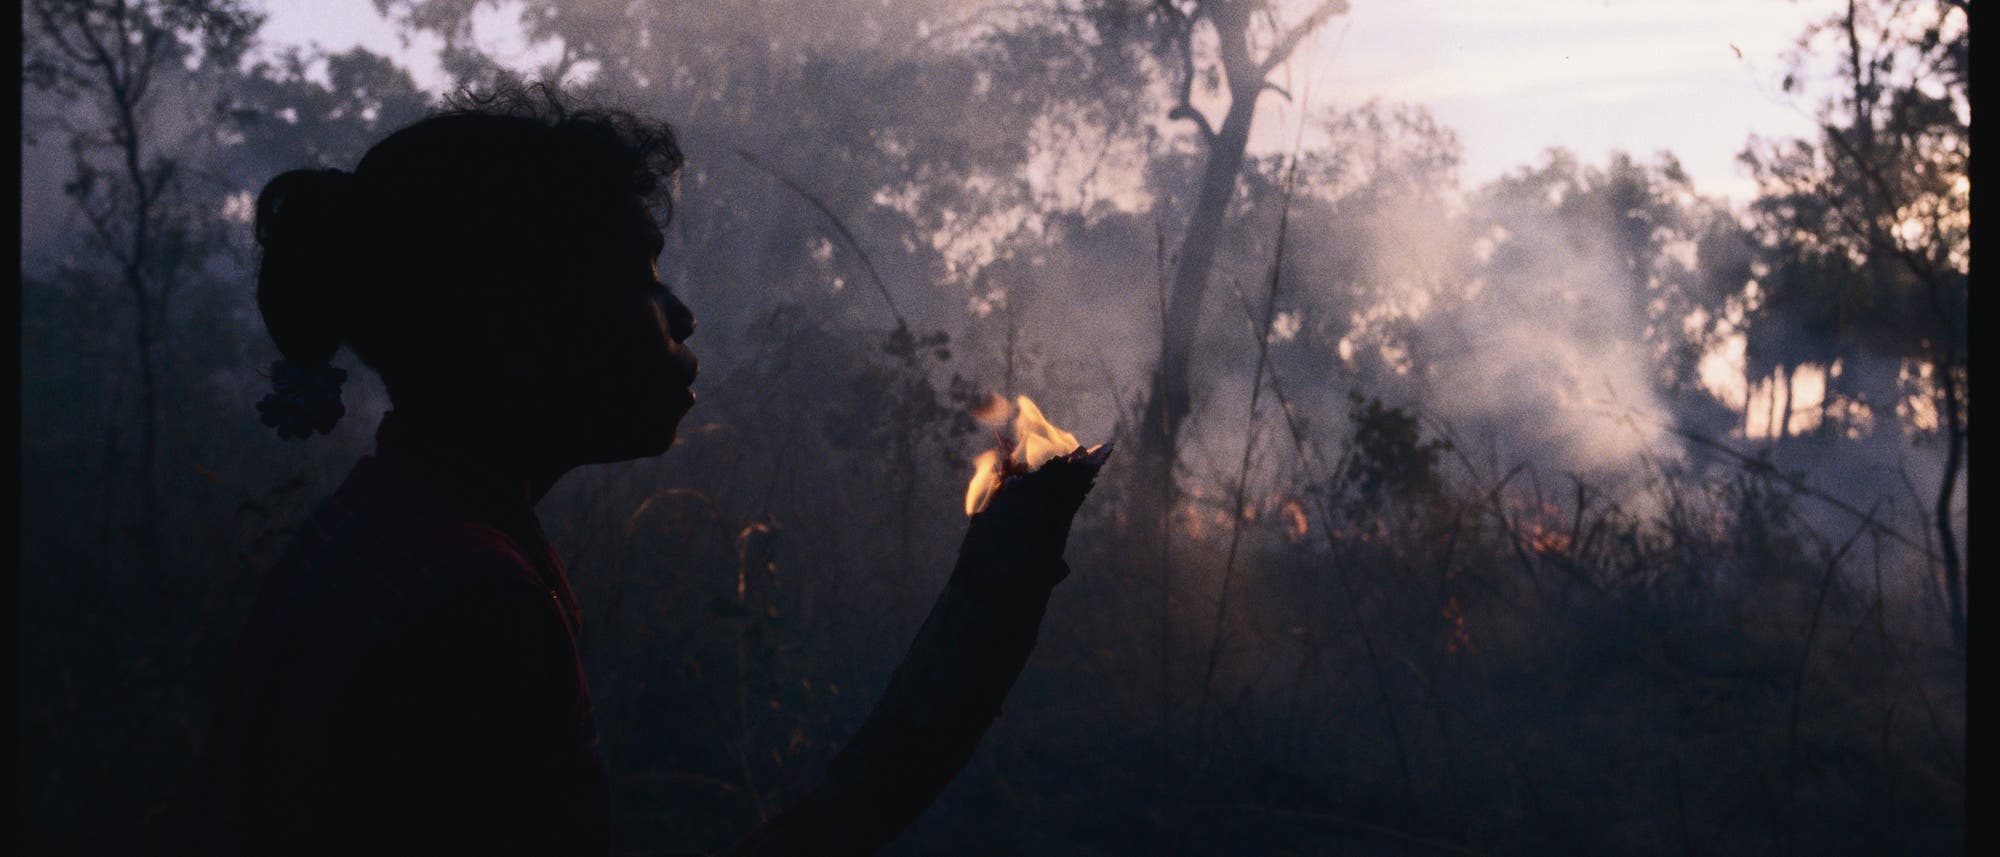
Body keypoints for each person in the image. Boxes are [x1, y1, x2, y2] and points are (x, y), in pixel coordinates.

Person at [184, 85, 1100, 856]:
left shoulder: (396, 530)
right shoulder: (473, 603)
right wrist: (991, 605)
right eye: (642, 275)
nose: (683, 314)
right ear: (524, 319)